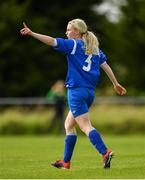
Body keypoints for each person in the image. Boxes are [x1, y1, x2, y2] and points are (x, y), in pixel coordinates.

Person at [20, 19, 127, 169]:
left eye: (69, 30)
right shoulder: (94, 48)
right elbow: (106, 66)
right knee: (69, 125)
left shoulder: (74, 45)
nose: (66, 32)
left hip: (76, 91)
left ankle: (105, 152)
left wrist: (31, 33)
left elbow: (51, 41)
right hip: (89, 93)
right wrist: (115, 84)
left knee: (85, 126)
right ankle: (66, 162)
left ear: (77, 32)